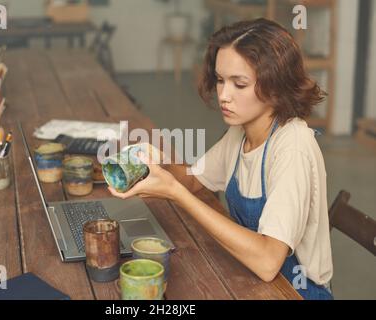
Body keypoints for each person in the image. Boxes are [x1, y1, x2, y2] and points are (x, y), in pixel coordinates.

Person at [108, 18, 333, 300]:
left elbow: (267, 262)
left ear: (276, 86)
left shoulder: (292, 147)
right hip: (252, 278)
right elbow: (194, 181)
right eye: (220, 80)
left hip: (295, 291)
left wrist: (174, 193)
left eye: (239, 84)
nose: (224, 96)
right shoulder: (241, 132)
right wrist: (158, 164)